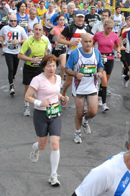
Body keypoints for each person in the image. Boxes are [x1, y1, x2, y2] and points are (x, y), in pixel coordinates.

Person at [24, 55, 69, 187]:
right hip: (41, 114)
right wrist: (40, 102)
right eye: (49, 66)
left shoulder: (58, 78)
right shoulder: (37, 80)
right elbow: (27, 97)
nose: (51, 68)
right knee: (43, 145)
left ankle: (53, 175)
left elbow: (55, 93)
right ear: (44, 67)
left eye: (54, 65)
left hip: (55, 113)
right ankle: (36, 147)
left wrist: (62, 97)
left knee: (55, 144)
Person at [65, 33, 104, 144]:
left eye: (90, 41)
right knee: (79, 112)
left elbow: (100, 65)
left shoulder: (96, 52)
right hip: (79, 88)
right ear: (81, 42)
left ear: (93, 42)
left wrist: (100, 72)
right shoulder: (75, 53)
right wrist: (75, 74)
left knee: (93, 112)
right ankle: (77, 133)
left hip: (92, 87)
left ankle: (85, 121)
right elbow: (67, 68)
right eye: (85, 41)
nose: (88, 44)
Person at [18, 23, 52, 116]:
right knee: (28, 88)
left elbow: (45, 53)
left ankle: (41, 106)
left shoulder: (45, 41)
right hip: (29, 67)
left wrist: (47, 61)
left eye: (39, 30)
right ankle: (26, 106)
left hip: (39, 68)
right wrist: (32, 59)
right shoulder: (28, 41)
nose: (37, 32)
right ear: (33, 31)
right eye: (36, 29)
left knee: (40, 88)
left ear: (42, 32)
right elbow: (20, 55)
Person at [58, 10, 90, 97]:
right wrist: (70, 43)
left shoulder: (87, 28)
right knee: (69, 81)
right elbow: (59, 40)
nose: (80, 19)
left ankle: (81, 98)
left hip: (83, 57)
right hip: (71, 56)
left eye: (82, 17)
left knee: (83, 79)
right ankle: (63, 94)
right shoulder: (69, 28)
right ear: (75, 17)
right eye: (79, 17)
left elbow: (91, 40)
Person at [93, 18, 121, 112]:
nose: (110, 30)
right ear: (104, 27)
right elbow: (92, 44)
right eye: (108, 28)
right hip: (100, 59)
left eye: (112, 28)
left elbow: (118, 45)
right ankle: (104, 104)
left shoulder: (114, 36)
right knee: (104, 81)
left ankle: (100, 95)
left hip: (110, 59)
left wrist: (118, 51)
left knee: (105, 81)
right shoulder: (98, 35)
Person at [0, 13, 28, 97]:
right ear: (9, 21)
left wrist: (18, 41)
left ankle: (12, 77)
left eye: (14, 21)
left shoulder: (20, 29)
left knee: (14, 69)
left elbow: (26, 39)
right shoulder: (5, 28)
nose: (13, 22)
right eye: (11, 21)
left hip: (17, 52)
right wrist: (3, 41)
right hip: (8, 51)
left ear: (17, 21)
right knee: (10, 69)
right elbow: (0, 35)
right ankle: (11, 86)